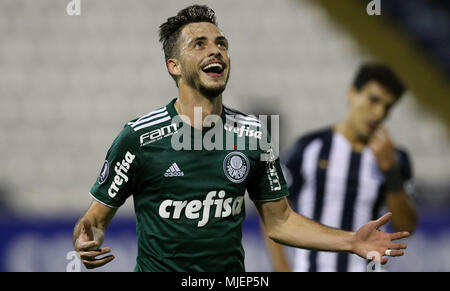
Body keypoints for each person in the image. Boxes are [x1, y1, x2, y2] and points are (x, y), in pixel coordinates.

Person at [73, 5, 410, 272]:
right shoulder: (140, 137)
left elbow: (280, 221)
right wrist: (85, 241)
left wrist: (351, 241)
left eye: (221, 44)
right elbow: (93, 222)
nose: (215, 50)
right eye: (200, 44)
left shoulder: (253, 135)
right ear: (174, 66)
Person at [266, 63, 418, 272]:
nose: (378, 112)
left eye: (387, 107)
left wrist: (390, 171)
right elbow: (273, 213)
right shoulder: (309, 148)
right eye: (373, 100)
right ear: (352, 93)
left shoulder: (395, 159)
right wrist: (281, 266)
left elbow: (405, 227)